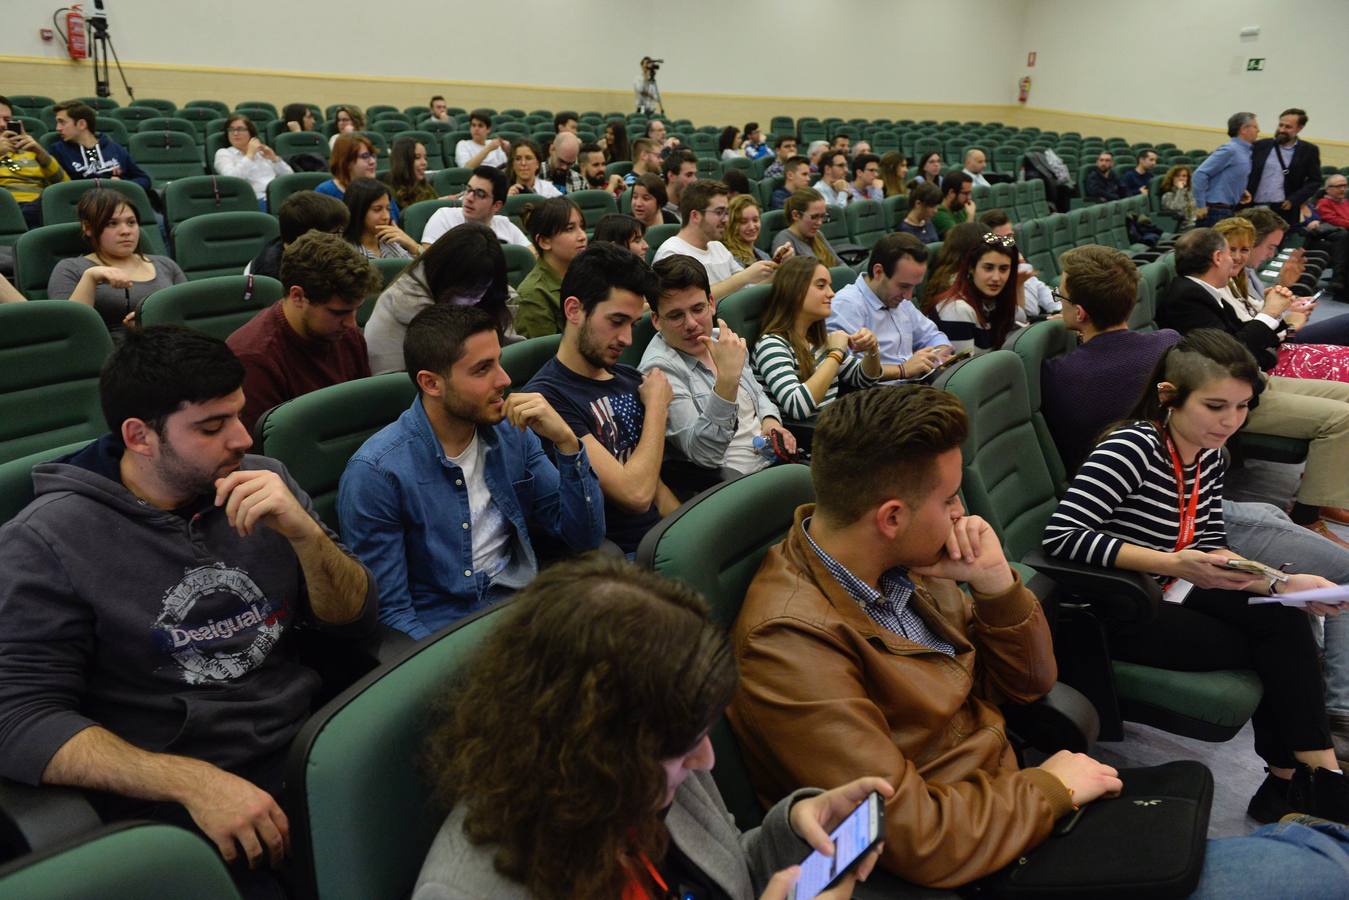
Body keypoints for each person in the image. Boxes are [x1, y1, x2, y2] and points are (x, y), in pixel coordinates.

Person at [731, 384, 1349, 891]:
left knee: (1314, 847)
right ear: (891, 518)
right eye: (949, 499)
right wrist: (1049, 788)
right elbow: (908, 836)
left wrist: (998, 587)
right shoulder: (790, 640)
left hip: (1011, 798)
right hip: (972, 857)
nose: (961, 515)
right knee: (1321, 869)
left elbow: (1031, 685)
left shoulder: (904, 565)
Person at [0, 325, 376, 891]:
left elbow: (355, 620)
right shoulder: (46, 541)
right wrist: (190, 783)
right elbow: (18, 720)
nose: (242, 439)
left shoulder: (262, 480)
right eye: (212, 426)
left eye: (239, 415)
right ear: (140, 436)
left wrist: (306, 537)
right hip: (181, 800)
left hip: (310, 748)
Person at [413, 554, 889, 900]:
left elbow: (728, 876)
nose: (707, 759)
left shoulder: (655, 749)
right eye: (684, 750)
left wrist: (792, 831)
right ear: (596, 750)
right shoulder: (461, 892)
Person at [1041, 245, 1349, 767]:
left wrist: (1277, 583)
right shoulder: (1132, 445)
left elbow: (1209, 545)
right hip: (1122, 605)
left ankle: (1301, 774)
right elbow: (1061, 537)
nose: (1230, 420)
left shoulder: (1208, 454)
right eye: (1215, 406)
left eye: (1241, 407)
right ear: (1168, 395)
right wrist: (1170, 562)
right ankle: (1306, 777)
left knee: (1287, 617)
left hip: (1175, 587)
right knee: (1276, 643)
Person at [340, 305, 604, 640]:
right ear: (431, 383)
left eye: (499, 361)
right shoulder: (377, 474)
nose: (505, 380)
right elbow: (391, 614)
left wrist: (567, 443)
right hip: (446, 632)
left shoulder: (514, 433)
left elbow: (585, 538)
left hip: (523, 603)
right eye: (483, 369)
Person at [1157, 228, 1349, 545]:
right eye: (1231, 252)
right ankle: (1307, 517)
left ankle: (1324, 490)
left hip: (1257, 379)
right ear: (1218, 257)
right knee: (1342, 418)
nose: (1237, 259)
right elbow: (1232, 357)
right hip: (1238, 396)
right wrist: (1271, 313)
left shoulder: (1209, 291)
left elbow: (1251, 347)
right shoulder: (1188, 296)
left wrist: (1278, 322)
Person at [523, 243, 678, 554]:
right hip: (619, 562)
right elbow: (635, 495)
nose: (627, 339)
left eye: (633, 325)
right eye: (616, 321)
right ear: (573, 310)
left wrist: (692, 534)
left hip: (664, 544)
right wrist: (657, 409)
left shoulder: (630, 379)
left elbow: (656, 487)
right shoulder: (545, 402)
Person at [641, 254, 795, 481]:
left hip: (770, 463)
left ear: (711, 304)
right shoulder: (659, 370)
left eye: (698, 308)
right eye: (676, 316)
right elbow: (704, 454)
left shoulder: (721, 339)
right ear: (656, 320)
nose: (692, 323)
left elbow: (758, 394)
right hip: (730, 485)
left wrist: (770, 420)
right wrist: (727, 382)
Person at [227, 230, 380, 431]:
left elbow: (367, 416)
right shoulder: (253, 358)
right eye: (338, 313)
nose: (351, 323)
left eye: (356, 310)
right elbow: (263, 452)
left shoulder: (347, 336)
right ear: (298, 296)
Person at [364, 222, 513, 375]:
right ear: (447, 278)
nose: (477, 299)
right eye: (469, 293)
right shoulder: (407, 302)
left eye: (483, 289)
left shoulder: (482, 282)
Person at [752, 256, 880, 420]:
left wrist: (872, 349)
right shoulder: (771, 345)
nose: (832, 294)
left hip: (831, 425)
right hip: (805, 437)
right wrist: (836, 354)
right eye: (821, 286)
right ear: (795, 291)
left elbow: (864, 378)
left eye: (830, 286)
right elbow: (797, 406)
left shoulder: (816, 340)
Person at [47, 188, 186, 334]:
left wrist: (150, 324)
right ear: (88, 228)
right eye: (112, 224)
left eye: (131, 222)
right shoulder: (71, 269)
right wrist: (90, 278)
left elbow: (189, 314)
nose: (126, 231)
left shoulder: (166, 264)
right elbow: (67, 329)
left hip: (172, 346)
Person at [828, 233, 949, 381]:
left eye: (914, 287)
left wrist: (938, 355)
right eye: (904, 286)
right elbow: (844, 369)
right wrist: (902, 370)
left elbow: (933, 336)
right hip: (877, 396)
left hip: (913, 387)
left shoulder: (899, 300)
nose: (909, 296)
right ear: (878, 272)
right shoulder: (847, 305)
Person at [653, 179, 775, 300]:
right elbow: (687, 301)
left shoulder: (718, 247)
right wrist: (744, 277)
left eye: (726, 213)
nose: (726, 220)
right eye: (719, 212)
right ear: (695, 216)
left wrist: (777, 272)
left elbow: (746, 291)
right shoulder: (672, 253)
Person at [924, 231, 1020, 353]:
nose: (996, 277)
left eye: (1003, 269)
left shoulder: (990, 302)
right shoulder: (957, 309)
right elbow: (963, 370)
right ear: (971, 268)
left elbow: (1020, 315)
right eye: (988, 268)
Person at [515, 197, 588, 338]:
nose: (582, 236)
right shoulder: (533, 294)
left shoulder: (588, 274)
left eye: (582, 227)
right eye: (570, 229)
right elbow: (546, 355)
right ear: (544, 241)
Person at [48, 100, 151, 191]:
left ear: (81, 124)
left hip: (119, 203)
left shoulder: (115, 149)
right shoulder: (58, 151)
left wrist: (122, 184)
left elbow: (144, 180)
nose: (58, 128)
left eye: (62, 122)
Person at [246, 190, 348, 280]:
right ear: (308, 237)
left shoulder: (312, 254)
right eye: (336, 233)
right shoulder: (272, 274)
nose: (340, 238)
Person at [421, 165, 530, 248]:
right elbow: (429, 261)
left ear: (497, 206)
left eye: (480, 194)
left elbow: (531, 255)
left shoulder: (505, 225)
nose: (469, 198)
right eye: (469, 190)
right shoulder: (444, 217)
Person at [0, 94, 67, 227]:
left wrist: (39, 152)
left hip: (39, 208)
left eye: (7, 119)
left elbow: (63, 185)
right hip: (7, 208)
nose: (2, 124)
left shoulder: (30, 151)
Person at [981, 209, 1059, 321]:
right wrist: (1047, 318)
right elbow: (1024, 313)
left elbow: (1040, 287)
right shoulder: (993, 275)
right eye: (1000, 239)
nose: (1007, 244)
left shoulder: (1017, 257)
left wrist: (1059, 308)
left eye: (1009, 237)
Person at [1249, 108, 1322, 227]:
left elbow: (1315, 180)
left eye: (1288, 127)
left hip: (1283, 209)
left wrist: (1294, 200)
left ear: (1299, 128)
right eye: (1280, 125)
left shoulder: (1309, 151)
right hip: (1253, 206)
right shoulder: (1260, 145)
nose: (1282, 130)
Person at [1193, 112, 1258, 227]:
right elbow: (1200, 174)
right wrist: (1201, 205)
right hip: (1215, 211)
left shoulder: (1244, 151)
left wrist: (1240, 190)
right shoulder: (1230, 150)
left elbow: (1227, 175)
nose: (1258, 130)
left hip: (1226, 210)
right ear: (1244, 129)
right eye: (1255, 127)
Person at [316, 134, 399, 224]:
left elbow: (394, 223)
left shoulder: (380, 190)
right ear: (346, 162)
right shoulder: (325, 193)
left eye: (373, 156)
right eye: (365, 156)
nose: (372, 161)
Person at [213, 114, 292, 206]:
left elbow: (289, 176)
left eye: (240, 129)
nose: (235, 133)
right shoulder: (224, 153)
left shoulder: (261, 153)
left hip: (278, 196)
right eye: (231, 129)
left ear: (251, 133)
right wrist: (249, 155)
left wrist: (274, 159)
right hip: (253, 200)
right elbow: (232, 180)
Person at [342, 177, 419, 259]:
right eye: (377, 209)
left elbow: (422, 270)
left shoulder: (390, 243)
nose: (386, 216)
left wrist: (412, 245)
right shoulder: (345, 253)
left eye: (388, 209)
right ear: (358, 211)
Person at [772, 190, 840, 267]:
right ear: (796, 215)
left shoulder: (818, 234)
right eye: (814, 217)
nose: (819, 222)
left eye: (822, 216)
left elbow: (839, 263)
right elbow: (791, 276)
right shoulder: (784, 240)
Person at [723, 194, 779, 267]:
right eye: (744, 222)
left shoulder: (764, 255)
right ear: (732, 224)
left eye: (755, 220)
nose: (752, 227)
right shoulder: (729, 258)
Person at [384, 136, 436, 210]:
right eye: (417, 157)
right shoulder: (390, 192)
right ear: (403, 162)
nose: (424, 163)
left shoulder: (424, 185)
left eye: (425, 158)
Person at [932, 171, 976, 238]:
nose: (969, 198)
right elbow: (958, 239)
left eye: (970, 193)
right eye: (965, 193)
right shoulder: (939, 213)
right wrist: (970, 216)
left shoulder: (960, 208)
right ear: (951, 192)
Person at [662, 150, 698, 220]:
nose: (695, 180)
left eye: (694, 174)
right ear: (671, 176)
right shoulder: (656, 210)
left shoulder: (694, 207)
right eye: (689, 175)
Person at [1161, 164, 1198, 230]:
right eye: (1177, 176)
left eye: (1184, 176)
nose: (1181, 178)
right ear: (1172, 178)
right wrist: (1180, 190)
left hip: (1195, 225)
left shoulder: (1191, 193)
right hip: (1180, 227)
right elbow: (1177, 208)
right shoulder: (1167, 195)